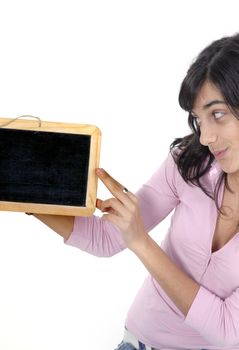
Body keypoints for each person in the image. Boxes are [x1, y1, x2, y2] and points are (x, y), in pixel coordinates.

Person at [32, 33, 239, 349]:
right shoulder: (189, 164)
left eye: (218, 114)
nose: (207, 136)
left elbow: (228, 331)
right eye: (199, 120)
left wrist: (141, 241)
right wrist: (25, 194)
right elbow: (105, 238)